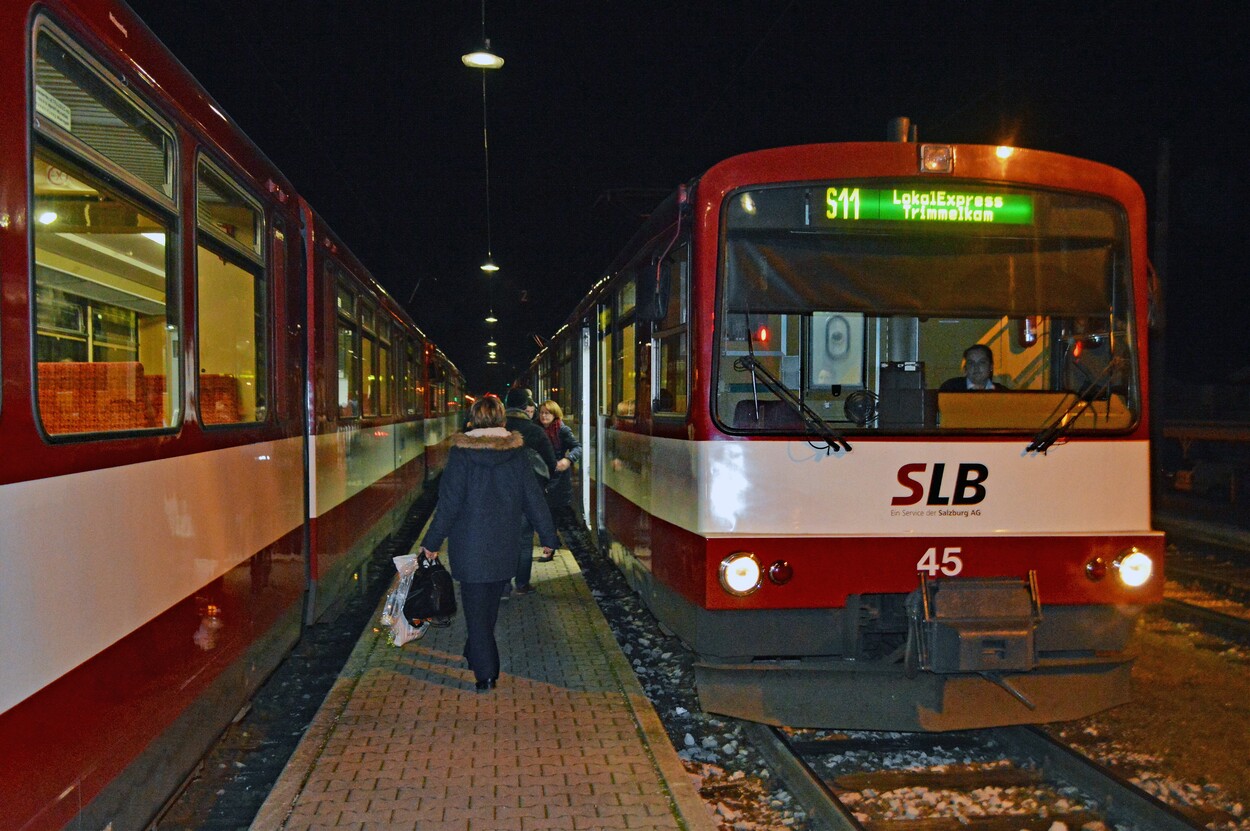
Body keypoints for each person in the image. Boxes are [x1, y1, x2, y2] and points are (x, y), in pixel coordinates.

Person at [418, 396, 557, 692]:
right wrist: (547, 537)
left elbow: (449, 503)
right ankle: (475, 653)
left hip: (469, 547)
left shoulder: (461, 453)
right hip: (504, 544)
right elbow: (533, 497)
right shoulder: (517, 453)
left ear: (473, 420)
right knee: (488, 609)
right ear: (502, 421)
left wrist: (431, 542)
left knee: (477, 613)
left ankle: (486, 673)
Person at [503, 387, 557, 596]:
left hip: (501, 495)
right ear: (526, 407)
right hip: (529, 494)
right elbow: (551, 464)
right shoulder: (535, 431)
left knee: (504, 540)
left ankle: (503, 585)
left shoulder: (499, 428)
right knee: (525, 541)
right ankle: (522, 584)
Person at [535, 399, 582, 558]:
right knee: (546, 512)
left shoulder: (562, 430)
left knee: (551, 513)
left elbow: (578, 447)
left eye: (547, 413)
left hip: (558, 478)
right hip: (541, 476)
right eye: (541, 412)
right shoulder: (536, 429)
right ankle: (551, 541)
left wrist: (568, 460)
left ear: (555, 414)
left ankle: (549, 546)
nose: (543, 416)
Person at [939, 344, 1008, 391]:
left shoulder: (1003, 392)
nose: (976, 367)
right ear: (965, 368)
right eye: (971, 363)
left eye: (982, 362)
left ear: (991, 366)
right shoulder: (950, 388)